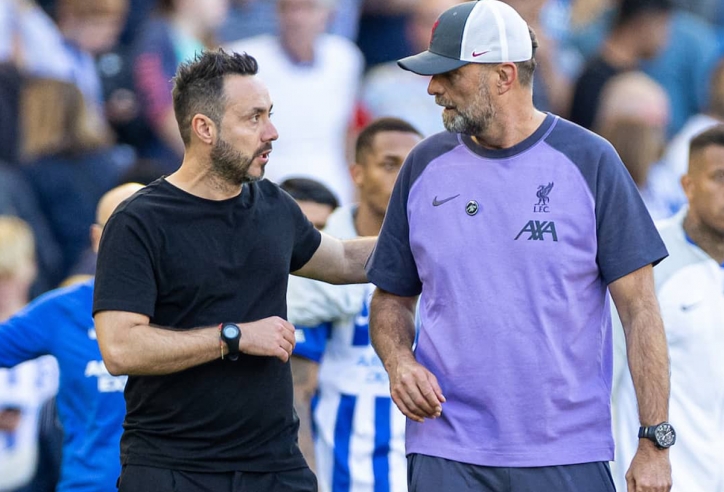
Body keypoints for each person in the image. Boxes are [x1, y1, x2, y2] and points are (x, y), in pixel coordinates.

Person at [364, 2, 674, 491]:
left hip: (566, 449)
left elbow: (640, 312)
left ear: (504, 76)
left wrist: (654, 441)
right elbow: (391, 298)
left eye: (449, 73)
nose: (432, 87)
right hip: (446, 448)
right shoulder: (422, 165)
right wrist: (399, 361)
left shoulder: (591, 161)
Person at [92, 49, 375, 492]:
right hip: (173, 469)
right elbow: (120, 348)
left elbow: (342, 260)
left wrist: (432, 241)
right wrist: (234, 336)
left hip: (275, 467)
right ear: (205, 128)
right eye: (254, 118)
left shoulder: (274, 205)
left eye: (270, 115)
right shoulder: (139, 220)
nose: (272, 132)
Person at [288, 117, 423, 492]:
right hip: (342, 471)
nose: (403, 178)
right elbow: (297, 390)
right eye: (389, 164)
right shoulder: (320, 258)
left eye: (412, 167)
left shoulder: (442, 250)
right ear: (357, 173)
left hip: (426, 464)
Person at [0, 183, 141, 492]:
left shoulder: (191, 307)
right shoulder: (63, 309)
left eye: (149, 228)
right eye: (123, 228)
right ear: (96, 239)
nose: (137, 242)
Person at [613, 124, 724, 492]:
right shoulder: (646, 256)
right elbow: (608, 376)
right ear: (687, 186)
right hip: (663, 481)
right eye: (719, 178)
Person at [225, 0, 364, 204]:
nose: (296, 18)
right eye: (287, 8)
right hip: (263, 189)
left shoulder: (345, 58)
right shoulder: (243, 60)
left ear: (328, 16)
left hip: (334, 188)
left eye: (307, 9)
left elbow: (347, 131)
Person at [0, 216, 59, 492]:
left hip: (40, 473)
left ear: (30, 268)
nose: (3, 288)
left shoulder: (50, 329)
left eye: (8, 276)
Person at [569, 0, 673, 130]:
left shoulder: (630, 73)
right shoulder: (595, 81)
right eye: (664, 25)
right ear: (644, 23)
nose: (666, 38)